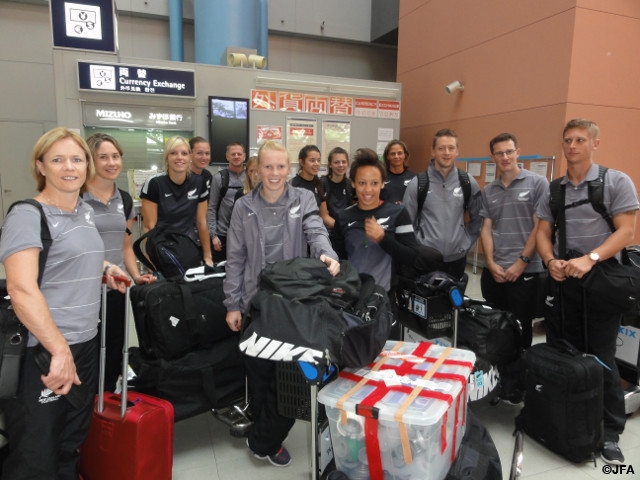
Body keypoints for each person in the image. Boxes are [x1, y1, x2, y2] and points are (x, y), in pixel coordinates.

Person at [0, 127, 128, 479]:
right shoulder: (28, 215)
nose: (69, 167)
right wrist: (59, 351)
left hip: (83, 345)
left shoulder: (83, 210)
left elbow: (73, 256)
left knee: (71, 439)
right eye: (57, 160)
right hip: (43, 351)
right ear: (40, 166)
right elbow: (22, 288)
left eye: (76, 159)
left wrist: (105, 269)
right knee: (35, 453)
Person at [223, 141, 339, 467]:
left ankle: (264, 438)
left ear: (289, 169)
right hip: (255, 305)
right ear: (258, 170)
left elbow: (315, 229)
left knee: (290, 379)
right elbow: (235, 259)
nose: (274, 174)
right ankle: (263, 433)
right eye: (268, 167)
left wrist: (325, 252)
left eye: (280, 167)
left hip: (293, 305)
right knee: (259, 375)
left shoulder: (303, 198)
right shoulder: (243, 206)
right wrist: (233, 304)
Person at [536, 118, 638, 465]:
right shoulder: (554, 189)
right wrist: (549, 260)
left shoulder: (615, 181)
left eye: (580, 139)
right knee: (565, 352)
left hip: (602, 280)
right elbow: (543, 232)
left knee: (601, 357)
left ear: (595, 143)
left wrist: (590, 259)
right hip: (564, 280)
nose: (572, 146)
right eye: (567, 140)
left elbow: (627, 232)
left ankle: (610, 432)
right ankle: (568, 419)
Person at [84, 133, 156, 391]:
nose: (111, 162)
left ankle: (106, 397)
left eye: (115, 156)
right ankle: (86, 400)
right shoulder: (77, 197)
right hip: (84, 287)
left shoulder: (124, 199)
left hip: (116, 286)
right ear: (91, 160)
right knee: (87, 347)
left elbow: (125, 244)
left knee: (114, 345)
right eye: (103, 157)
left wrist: (136, 276)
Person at [332, 147, 418, 339]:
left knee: (387, 363)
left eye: (374, 183)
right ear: (353, 183)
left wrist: (383, 238)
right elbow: (338, 260)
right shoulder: (344, 217)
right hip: (352, 303)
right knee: (354, 361)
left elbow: (412, 257)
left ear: (382, 184)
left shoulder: (398, 213)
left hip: (386, 302)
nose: (368, 190)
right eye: (362, 183)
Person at [479, 132, 548, 349]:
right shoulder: (489, 190)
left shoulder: (537, 183)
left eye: (509, 151)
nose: (505, 157)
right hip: (496, 271)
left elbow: (540, 227)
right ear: (492, 157)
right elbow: (486, 228)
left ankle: (520, 377)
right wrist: (490, 263)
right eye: (499, 153)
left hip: (525, 271)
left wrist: (521, 262)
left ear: (518, 152)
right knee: (496, 326)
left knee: (521, 328)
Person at [403, 128, 482, 279]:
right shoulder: (418, 183)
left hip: (456, 260)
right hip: (425, 260)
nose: (446, 152)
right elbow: (407, 224)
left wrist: (465, 244)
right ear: (433, 151)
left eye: (451, 148)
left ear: (457, 151)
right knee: (428, 302)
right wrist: (419, 247)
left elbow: (478, 218)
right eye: (441, 148)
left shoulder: (467, 182)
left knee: (455, 301)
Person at [140, 135, 212, 266]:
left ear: (189, 157)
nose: (179, 157)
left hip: (188, 248)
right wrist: (151, 264)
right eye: (173, 153)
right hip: (162, 250)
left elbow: (202, 222)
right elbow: (149, 227)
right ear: (167, 157)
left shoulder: (199, 182)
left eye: (184, 153)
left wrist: (208, 257)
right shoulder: (155, 183)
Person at [207, 142, 246, 263]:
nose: (236, 156)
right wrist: (213, 235)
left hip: (244, 235)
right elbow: (211, 208)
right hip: (222, 236)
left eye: (239, 154)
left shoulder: (250, 177)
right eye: (232, 154)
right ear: (227, 156)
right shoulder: (219, 178)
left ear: (244, 156)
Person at [319, 147, 354, 247]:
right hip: (328, 235)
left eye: (344, 162)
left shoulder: (350, 185)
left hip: (346, 234)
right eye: (336, 162)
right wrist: (343, 228)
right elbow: (324, 216)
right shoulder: (322, 184)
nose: (341, 165)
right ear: (330, 164)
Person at [380, 139, 416, 204]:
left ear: (405, 155)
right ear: (387, 156)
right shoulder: (381, 178)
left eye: (399, 153)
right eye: (393, 154)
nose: (396, 156)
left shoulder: (414, 178)